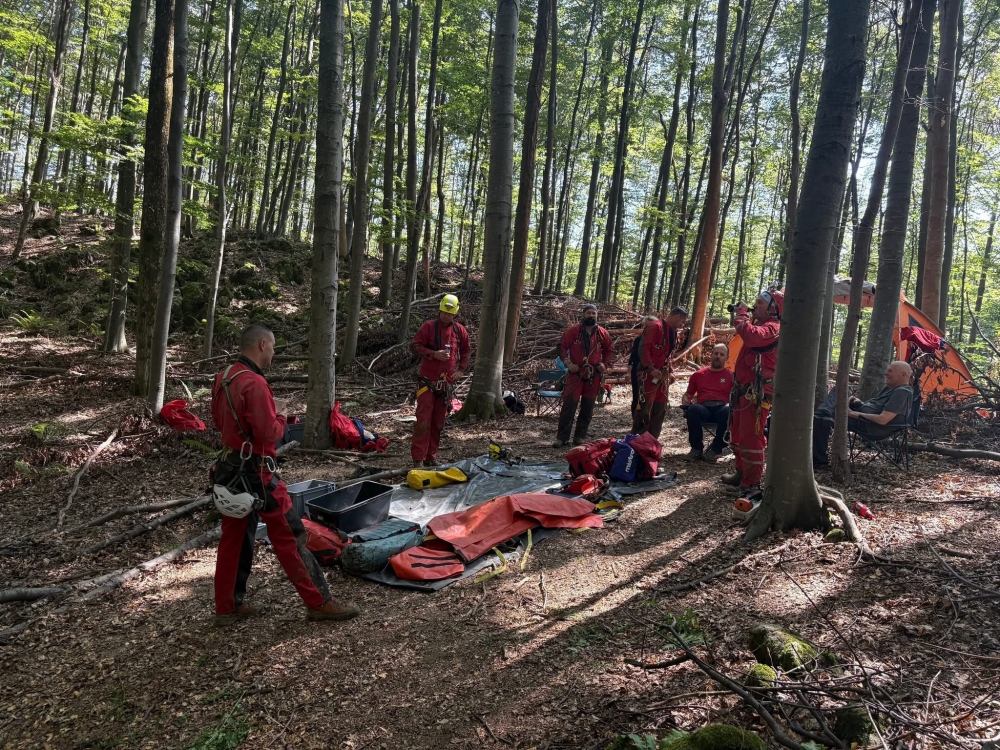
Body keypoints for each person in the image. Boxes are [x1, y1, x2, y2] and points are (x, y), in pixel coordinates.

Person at [210, 324, 359, 625]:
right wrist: (280, 416)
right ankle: (318, 602)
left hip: (229, 470)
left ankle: (227, 606)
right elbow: (268, 433)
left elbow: (219, 421)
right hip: (257, 475)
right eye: (274, 348)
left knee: (234, 540)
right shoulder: (254, 383)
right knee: (291, 537)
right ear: (263, 344)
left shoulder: (224, 378)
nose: (274, 354)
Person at [721, 291, 782, 492]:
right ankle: (741, 475)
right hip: (743, 390)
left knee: (751, 437)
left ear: (773, 308)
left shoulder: (774, 327)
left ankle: (752, 483)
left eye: (760, 303)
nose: (755, 306)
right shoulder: (760, 325)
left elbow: (751, 337)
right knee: (738, 434)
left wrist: (741, 313)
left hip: (757, 393)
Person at [813, 361, 913, 467]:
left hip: (869, 426)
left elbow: (883, 419)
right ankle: (825, 413)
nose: (886, 373)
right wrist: (859, 403)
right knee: (841, 388)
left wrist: (851, 413)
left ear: (903, 375)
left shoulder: (902, 392)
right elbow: (875, 407)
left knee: (822, 419)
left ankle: (819, 461)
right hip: (860, 415)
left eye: (890, 371)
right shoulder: (890, 389)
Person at [410, 294, 471, 466]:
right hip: (427, 382)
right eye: (444, 312)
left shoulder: (460, 331)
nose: (446, 315)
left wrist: (460, 370)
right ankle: (418, 459)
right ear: (439, 311)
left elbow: (466, 351)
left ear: (455, 314)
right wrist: (432, 353)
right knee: (423, 421)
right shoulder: (428, 327)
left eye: (450, 313)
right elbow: (415, 346)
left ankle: (431, 457)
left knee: (438, 422)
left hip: (446, 385)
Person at [553, 303, 614, 448]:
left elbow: (609, 350)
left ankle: (580, 437)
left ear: (597, 315)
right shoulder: (573, 331)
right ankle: (562, 438)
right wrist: (568, 364)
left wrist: (604, 364)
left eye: (593, 313)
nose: (591, 316)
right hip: (576, 374)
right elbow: (561, 347)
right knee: (569, 406)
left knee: (587, 407)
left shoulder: (602, 333)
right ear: (583, 315)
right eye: (588, 313)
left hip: (593, 375)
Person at [632, 306, 689, 439]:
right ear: (677, 317)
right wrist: (651, 368)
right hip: (648, 375)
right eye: (682, 322)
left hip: (662, 377)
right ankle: (637, 441)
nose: (682, 325)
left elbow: (667, 355)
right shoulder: (655, 327)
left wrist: (671, 371)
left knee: (660, 409)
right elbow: (643, 349)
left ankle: (652, 441)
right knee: (644, 409)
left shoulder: (673, 331)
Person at [681, 343, 734, 462]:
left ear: (727, 358)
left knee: (728, 409)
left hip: (722, 409)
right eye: (716, 353)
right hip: (704, 408)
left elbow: (736, 397)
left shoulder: (731, 376)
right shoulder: (698, 375)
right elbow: (688, 394)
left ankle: (716, 449)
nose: (718, 356)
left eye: (722, 354)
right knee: (693, 409)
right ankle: (696, 449)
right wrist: (686, 400)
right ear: (711, 355)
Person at [629, 316, 659, 416]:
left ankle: (648, 422)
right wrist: (628, 372)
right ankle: (636, 421)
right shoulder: (639, 339)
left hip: (654, 372)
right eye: (646, 325)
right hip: (638, 371)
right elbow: (633, 357)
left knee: (652, 397)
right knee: (637, 396)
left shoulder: (660, 341)